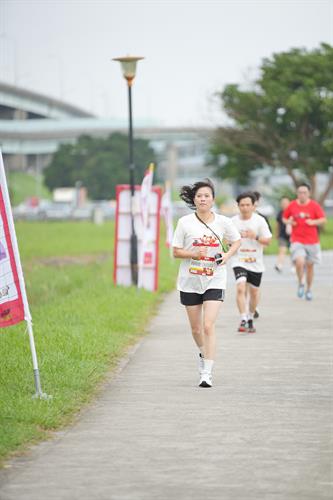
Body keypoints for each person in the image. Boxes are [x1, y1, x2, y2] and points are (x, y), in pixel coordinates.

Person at [172, 179, 241, 388]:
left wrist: (227, 256)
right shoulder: (185, 223)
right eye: (199, 196)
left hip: (215, 277)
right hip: (190, 280)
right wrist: (192, 252)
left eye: (207, 196)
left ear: (213, 200)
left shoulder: (223, 222)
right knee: (196, 329)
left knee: (208, 325)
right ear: (194, 199)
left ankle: (207, 372)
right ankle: (203, 353)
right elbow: (176, 251)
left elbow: (236, 240)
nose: (203, 199)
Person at [230, 191, 272, 333]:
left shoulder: (260, 221)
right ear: (238, 206)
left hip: (256, 262)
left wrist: (255, 236)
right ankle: (243, 318)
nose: (245, 207)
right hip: (239, 260)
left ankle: (250, 316)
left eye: (248, 205)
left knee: (254, 292)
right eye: (242, 205)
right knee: (241, 287)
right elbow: (225, 240)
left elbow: (268, 241)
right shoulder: (233, 222)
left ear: (254, 206)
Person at [283, 183, 326, 300]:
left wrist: (313, 222)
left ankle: (309, 289)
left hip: (312, 241)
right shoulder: (292, 205)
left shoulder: (314, 205)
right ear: (297, 193)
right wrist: (290, 222)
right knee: (299, 262)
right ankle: (301, 283)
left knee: (310, 266)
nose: (302, 195)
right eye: (300, 192)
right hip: (297, 240)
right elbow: (284, 218)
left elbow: (323, 219)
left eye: (304, 192)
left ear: (309, 193)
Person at [275, 196, 292, 272]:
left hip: (293, 235)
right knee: (282, 250)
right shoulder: (280, 213)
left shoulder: (293, 212)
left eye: (286, 203)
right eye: (282, 203)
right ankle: (279, 265)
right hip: (282, 235)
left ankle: (294, 266)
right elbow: (277, 224)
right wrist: (277, 234)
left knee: (293, 251)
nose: (284, 204)